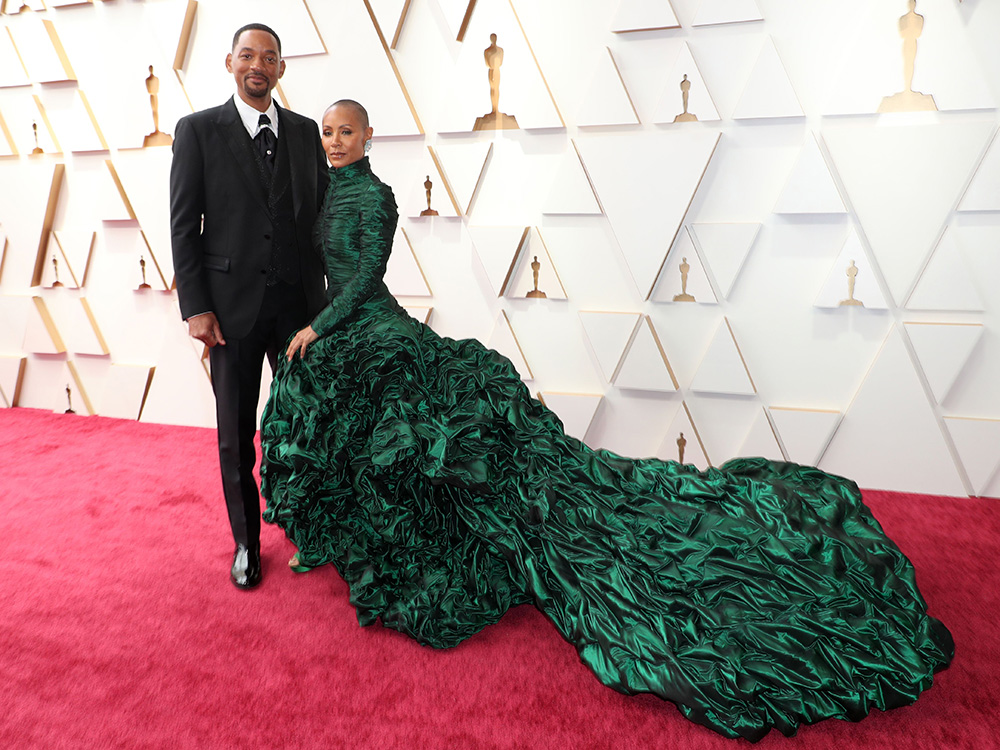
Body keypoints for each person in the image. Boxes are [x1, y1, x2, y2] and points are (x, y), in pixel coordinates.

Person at [260, 101, 953, 741]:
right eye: (327, 131)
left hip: (370, 325)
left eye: (347, 130)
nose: (336, 140)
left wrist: (317, 327)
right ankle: (356, 541)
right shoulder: (325, 190)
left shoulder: (376, 196)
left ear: (369, 137)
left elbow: (364, 275)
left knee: (420, 433)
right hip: (346, 333)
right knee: (344, 424)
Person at [169, 23, 329, 589]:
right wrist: (196, 306)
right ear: (230, 63)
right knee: (235, 433)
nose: (257, 64)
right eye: (247, 55)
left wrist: (330, 308)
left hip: (299, 315)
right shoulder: (197, 131)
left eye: (269, 57)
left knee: (307, 427)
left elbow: (323, 225)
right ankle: (245, 543)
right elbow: (185, 228)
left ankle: (312, 530)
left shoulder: (309, 133)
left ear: (281, 68)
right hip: (229, 313)